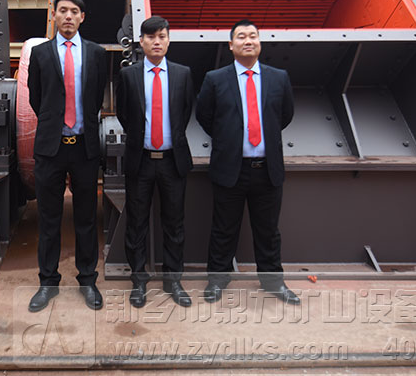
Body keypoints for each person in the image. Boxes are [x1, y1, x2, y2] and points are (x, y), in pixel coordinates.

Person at [195, 19, 299, 305]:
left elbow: (285, 115)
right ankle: (217, 280)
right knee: (223, 229)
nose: (248, 41)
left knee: (268, 231)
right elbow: (204, 115)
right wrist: (229, 137)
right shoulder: (215, 79)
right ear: (231, 45)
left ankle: (273, 282)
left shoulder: (278, 78)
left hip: (267, 169)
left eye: (253, 36)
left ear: (260, 42)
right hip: (231, 168)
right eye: (241, 37)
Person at [26, 0, 108, 312]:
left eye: (75, 11)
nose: (69, 16)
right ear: (54, 15)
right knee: (49, 218)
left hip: (84, 148)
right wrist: (54, 123)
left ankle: (87, 280)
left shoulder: (96, 53)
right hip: (51, 148)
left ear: (82, 17)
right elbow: (36, 98)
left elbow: (96, 98)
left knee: (86, 218)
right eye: (63, 11)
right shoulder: (41, 54)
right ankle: (48, 282)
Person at [116, 16, 195, 308]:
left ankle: (173, 280)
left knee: (174, 223)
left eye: (161, 36)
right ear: (141, 42)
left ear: (168, 40)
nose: (156, 42)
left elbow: (185, 111)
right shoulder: (128, 75)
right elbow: (124, 114)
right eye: (150, 37)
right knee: (136, 223)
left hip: (173, 161)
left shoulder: (183, 74)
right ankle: (139, 280)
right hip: (141, 161)